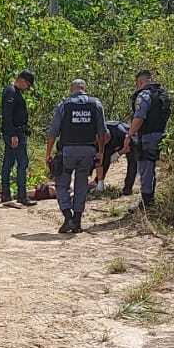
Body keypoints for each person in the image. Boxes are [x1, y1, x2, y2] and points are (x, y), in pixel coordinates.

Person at [44, 78, 105, 234]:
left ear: (72, 89)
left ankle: (67, 216)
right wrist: (101, 152)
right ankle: (77, 221)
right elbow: (102, 132)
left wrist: (48, 153)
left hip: (68, 151)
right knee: (81, 185)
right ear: (84, 88)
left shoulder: (64, 105)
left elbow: (53, 132)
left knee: (61, 185)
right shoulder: (95, 104)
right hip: (88, 150)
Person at [125, 69, 171, 209]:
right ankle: (150, 199)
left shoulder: (144, 95)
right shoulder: (163, 94)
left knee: (145, 167)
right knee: (150, 167)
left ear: (140, 82)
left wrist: (130, 134)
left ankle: (147, 204)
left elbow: (139, 117)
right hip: (162, 134)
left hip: (147, 136)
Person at [0, 69, 37, 206]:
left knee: (9, 163)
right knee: (21, 163)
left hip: (16, 133)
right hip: (14, 134)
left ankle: (6, 194)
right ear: (22, 80)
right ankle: (21, 195)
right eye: (28, 84)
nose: (27, 88)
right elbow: (7, 115)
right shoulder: (11, 92)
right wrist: (13, 135)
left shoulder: (15, 92)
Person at [95, 120, 137, 196]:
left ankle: (127, 189)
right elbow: (101, 161)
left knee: (133, 161)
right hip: (111, 142)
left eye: (105, 141)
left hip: (127, 139)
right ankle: (97, 182)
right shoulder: (98, 138)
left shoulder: (121, 133)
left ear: (108, 137)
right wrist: (99, 181)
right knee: (102, 158)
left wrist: (121, 151)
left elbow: (127, 149)